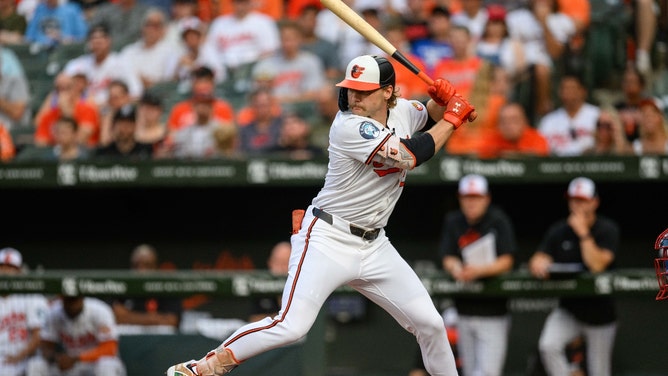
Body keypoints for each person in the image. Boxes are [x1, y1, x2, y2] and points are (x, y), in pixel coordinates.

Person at [166, 54, 476, 376]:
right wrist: (452, 118)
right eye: (351, 89)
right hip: (328, 237)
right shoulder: (348, 125)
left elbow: (425, 115)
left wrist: (443, 101)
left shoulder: (402, 111)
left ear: (387, 92)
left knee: (431, 324)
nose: (354, 97)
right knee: (291, 326)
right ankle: (204, 367)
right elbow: (410, 156)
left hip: (374, 244)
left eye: (364, 91)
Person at [528, 176, 619, 376]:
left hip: (600, 313)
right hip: (569, 309)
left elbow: (597, 266)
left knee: (599, 371)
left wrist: (583, 233)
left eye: (583, 200)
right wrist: (539, 263)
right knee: (548, 345)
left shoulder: (607, 229)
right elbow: (538, 258)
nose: (577, 205)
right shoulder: (559, 230)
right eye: (574, 200)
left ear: (594, 202)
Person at [439, 174, 516, 376]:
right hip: (464, 308)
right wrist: (456, 268)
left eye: (476, 197)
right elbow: (446, 256)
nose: (471, 202)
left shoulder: (497, 220)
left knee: (488, 372)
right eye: (467, 197)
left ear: (486, 198)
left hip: (493, 310)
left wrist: (478, 271)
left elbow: (507, 260)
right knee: (470, 371)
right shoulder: (454, 220)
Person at [27, 294, 127, 376]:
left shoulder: (100, 310)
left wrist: (77, 359)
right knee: (35, 364)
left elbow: (109, 349)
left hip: (93, 364)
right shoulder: (54, 312)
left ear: (82, 298)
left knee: (106, 365)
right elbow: (46, 347)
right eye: (68, 299)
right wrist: (56, 358)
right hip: (69, 365)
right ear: (62, 299)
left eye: (74, 299)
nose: (71, 303)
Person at [0, 247, 50, 376]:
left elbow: (39, 336)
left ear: (19, 272)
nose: (5, 272)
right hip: (2, 358)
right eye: (2, 267)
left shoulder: (32, 296)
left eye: (11, 268)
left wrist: (18, 357)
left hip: (28, 356)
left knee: (36, 366)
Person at [110, 244, 182, 333]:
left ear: (156, 267)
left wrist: (129, 316)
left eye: (147, 265)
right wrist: (153, 318)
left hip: (160, 343)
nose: (141, 270)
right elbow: (116, 317)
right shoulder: (122, 287)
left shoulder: (166, 287)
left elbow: (171, 322)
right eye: (136, 266)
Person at [537, 74, 600, 156]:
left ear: (583, 91)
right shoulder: (548, 120)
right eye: (564, 88)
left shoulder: (597, 115)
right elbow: (540, 150)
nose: (567, 92)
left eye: (572, 88)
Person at [478, 102, 550, 159]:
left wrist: (505, 155)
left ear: (525, 122)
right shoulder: (491, 139)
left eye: (514, 120)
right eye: (503, 121)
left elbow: (540, 156)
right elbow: (481, 155)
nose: (508, 125)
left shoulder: (536, 138)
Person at [247, 240, 291, 323]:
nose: (281, 268)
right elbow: (253, 321)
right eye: (277, 262)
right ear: (270, 263)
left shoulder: (301, 286)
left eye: (285, 263)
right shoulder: (260, 286)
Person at [23, 0, 88, 48]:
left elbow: (82, 37)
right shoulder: (39, 10)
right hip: (40, 51)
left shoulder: (71, 10)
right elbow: (29, 37)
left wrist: (63, 39)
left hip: (64, 52)